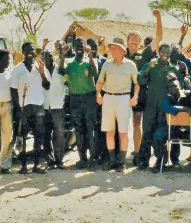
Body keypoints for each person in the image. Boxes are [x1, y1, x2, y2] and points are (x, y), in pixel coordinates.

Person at [135, 43, 184, 170]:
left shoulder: (173, 68)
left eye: (168, 53)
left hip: (165, 106)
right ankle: (144, 161)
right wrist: (148, 69)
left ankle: (161, 161)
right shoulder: (151, 65)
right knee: (147, 132)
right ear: (158, 52)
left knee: (161, 134)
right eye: (163, 52)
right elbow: (140, 80)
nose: (165, 55)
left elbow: (181, 85)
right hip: (150, 105)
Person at [96, 37, 140, 172]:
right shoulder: (107, 65)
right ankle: (112, 161)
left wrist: (135, 97)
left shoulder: (131, 65)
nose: (111, 50)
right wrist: (98, 94)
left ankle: (121, 162)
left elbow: (137, 83)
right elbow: (100, 82)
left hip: (124, 99)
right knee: (109, 131)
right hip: (108, 98)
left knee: (123, 132)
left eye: (114, 48)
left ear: (121, 50)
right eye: (110, 48)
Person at [152, 73, 191, 175]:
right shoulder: (167, 97)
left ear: (180, 86)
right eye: (170, 86)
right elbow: (165, 107)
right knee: (157, 136)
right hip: (171, 129)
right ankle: (161, 161)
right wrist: (185, 109)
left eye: (175, 86)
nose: (172, 88)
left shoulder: (188, 94)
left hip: (188, 129)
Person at [58, 38, 98, 170]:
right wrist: (63, 55)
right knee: (79, 130)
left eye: (82, 45)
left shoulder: (89, 61)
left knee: (90, 128)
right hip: (75, 99)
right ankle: (82, 159)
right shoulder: (69, 63)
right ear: (73, 48)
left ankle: (92, 159)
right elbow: (60, 71)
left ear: (85, 46)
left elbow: (95, 72)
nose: (79, 48)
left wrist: (91, 55)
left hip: (89, 99)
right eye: (77, 46)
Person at [126, 10, 162, 159]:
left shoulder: (144, 54)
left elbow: (158, 38)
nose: (133, 42)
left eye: (136, 40)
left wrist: (158, 18)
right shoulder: (121, 54)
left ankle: (137, 151)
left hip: (139, 95)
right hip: (121, 95)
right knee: (119, 126)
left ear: (139, 43)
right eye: (131, 40)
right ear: (127, 41)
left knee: (137, 123)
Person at [11, 42, 51, 175]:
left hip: (38, 106)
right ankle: (23, 166)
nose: (30, 52)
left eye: (32, 50)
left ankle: (36, 165)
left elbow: (47, 86)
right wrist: (17, 108)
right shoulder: (17, 69)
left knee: (38, 136)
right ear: (22, 51)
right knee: (22, 137)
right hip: (24, 108)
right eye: (27, 50)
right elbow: (13, 90)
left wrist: (42, 74)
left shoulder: (40, 66)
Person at [43, 49, 66, 170]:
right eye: (46, 57)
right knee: (46, 134)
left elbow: (62, 67)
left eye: (51, 56)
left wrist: (62, 57)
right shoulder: (40, 71)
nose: (49, 59)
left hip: (58, 106)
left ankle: (59, 160)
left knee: (59, 134)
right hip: (45, 106)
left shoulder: (60, 69)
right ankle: (49, 160)